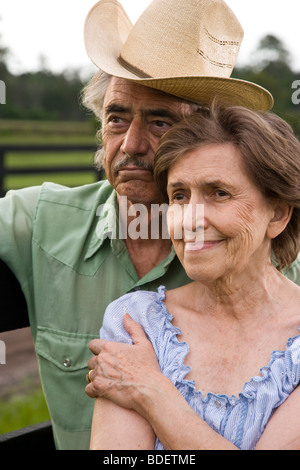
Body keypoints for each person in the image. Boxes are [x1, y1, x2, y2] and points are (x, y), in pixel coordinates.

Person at [0, 0, 297, 450]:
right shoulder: (41, 219)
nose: (131, 144)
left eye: (160, 121)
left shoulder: (266, 262)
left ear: (203, 137)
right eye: (116, 117)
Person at [87, 105, 300, 450]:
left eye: (219, 193)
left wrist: (152, 393)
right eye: (179, 196)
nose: (190, 220)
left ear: (277, 214)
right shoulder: (136, 322)